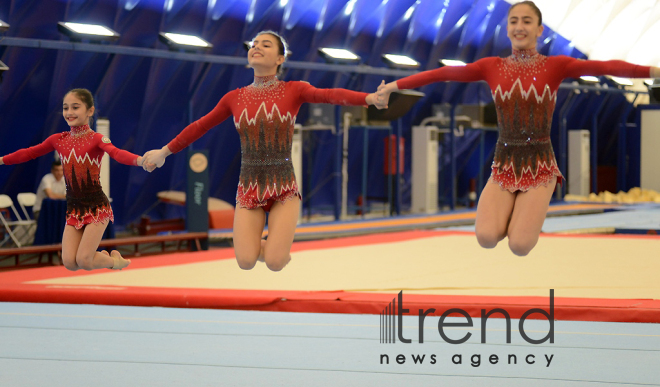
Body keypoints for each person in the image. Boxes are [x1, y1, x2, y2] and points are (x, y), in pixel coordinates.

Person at [376, 0, 659, 256]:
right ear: (507, 28)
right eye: (514, 21)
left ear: (539, 30)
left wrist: (653, 71)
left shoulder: (556, 65)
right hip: (504, 164)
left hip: (540, 165)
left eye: (526, 21)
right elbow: (442, 73)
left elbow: (606, 66)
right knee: (486, 238)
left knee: (519, 246)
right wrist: (394, 86)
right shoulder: (491, 66)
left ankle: (532, 204)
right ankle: (513, 209)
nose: (519, 26)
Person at [143, 31, 384, 271]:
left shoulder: (294, 89)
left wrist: (369, 98)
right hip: (249, 187)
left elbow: (330, 95)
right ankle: (270, 246)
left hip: (283, 187)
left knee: (275, 263)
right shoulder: (234, 97)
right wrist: (164, 151)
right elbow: (200, 126)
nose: (257, 47)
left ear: (280, 58)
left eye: (266, 45)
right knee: (246, 261)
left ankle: (278, 251)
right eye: (254, 44)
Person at [0, 88, 155, 270]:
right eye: (66, 108)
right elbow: (29, 153)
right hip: (74, 209)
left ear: (90, 111)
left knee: (84, 261)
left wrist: (140, 160)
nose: (69, 112)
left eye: (75, 107)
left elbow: (117, 153)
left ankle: (115, 262)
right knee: (70, 263)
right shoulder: (58, 139)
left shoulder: (96, 138)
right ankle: (104, 257)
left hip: (97, 207)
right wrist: (2, 160)